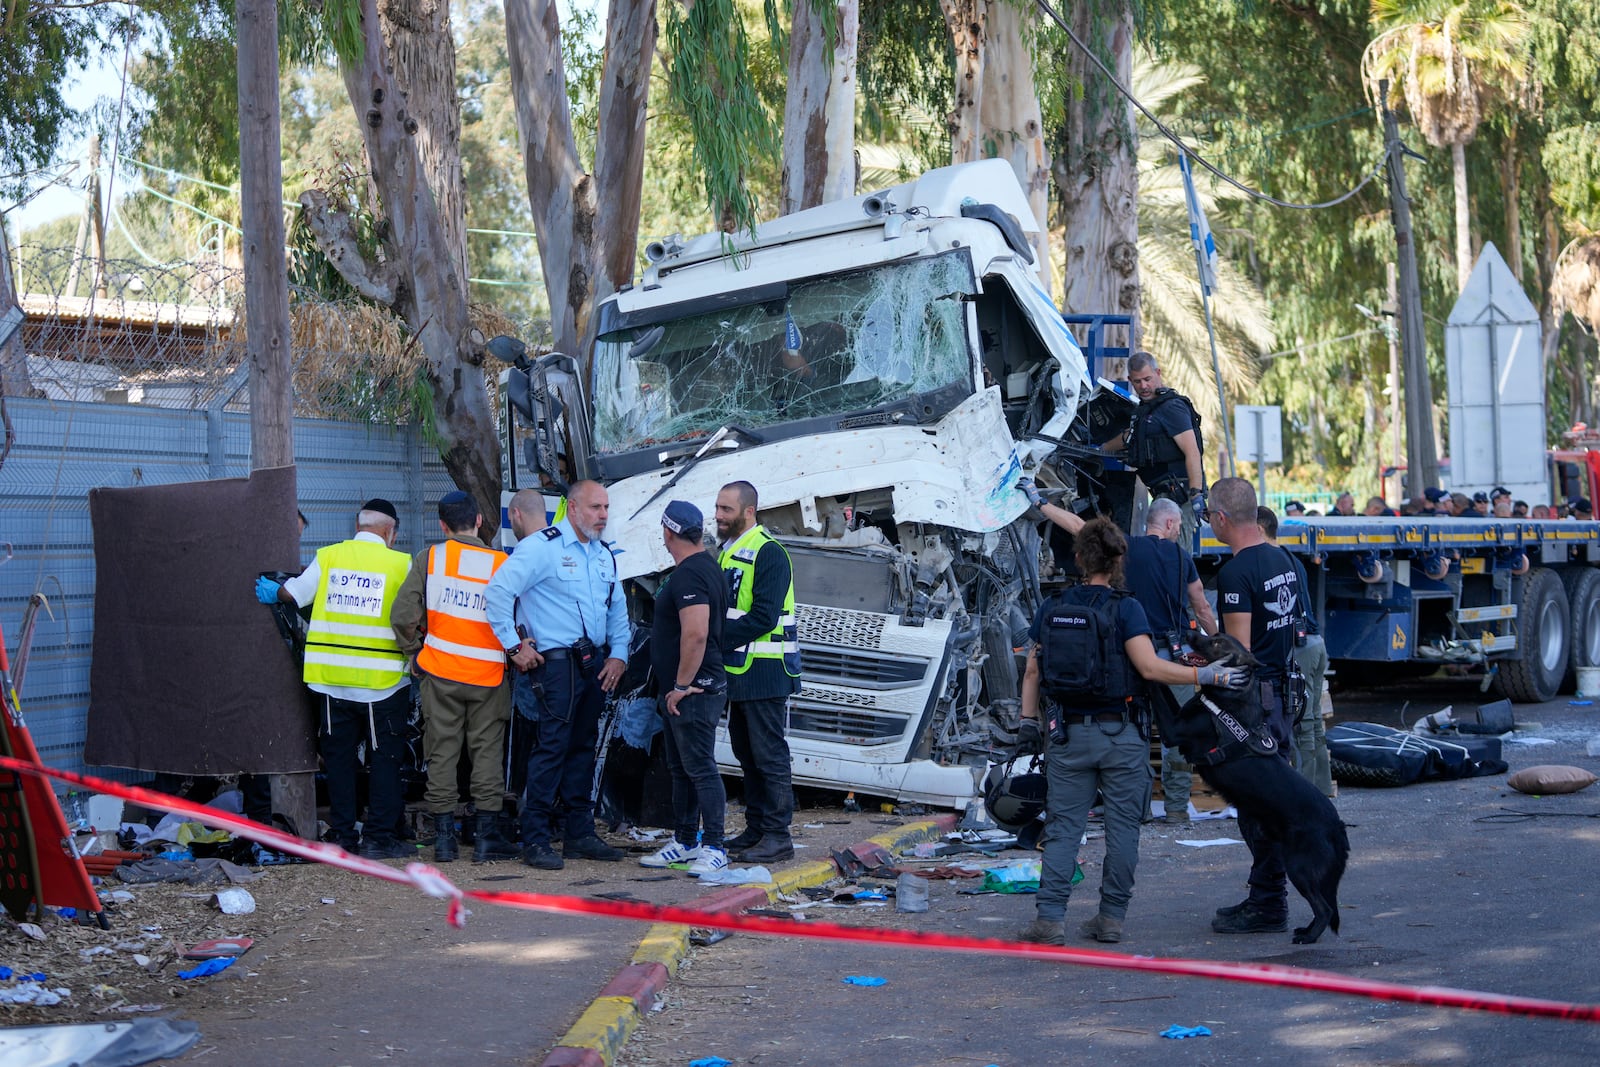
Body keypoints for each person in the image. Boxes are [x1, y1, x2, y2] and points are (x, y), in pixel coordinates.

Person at [1014, 518, 1247, 946]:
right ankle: (1110, 920)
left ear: (1080, 557)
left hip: (1066, 734)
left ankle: (1049, 920)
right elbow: (1149, 667)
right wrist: (1206, 677)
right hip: (1121, 735)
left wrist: (1029, 722)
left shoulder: (1053, 605)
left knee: (1064, 828)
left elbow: (1032, 668)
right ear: (1119, 560)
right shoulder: (1127, 608)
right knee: (1123, 828)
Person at [1025, 485, 1216, 824]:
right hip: (1170, 656)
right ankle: (1175, 808)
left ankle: (1137, 808)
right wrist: (1218, 646)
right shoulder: (1181, 556)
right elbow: (1200, 606)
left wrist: (1040, 503)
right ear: (1171, 524)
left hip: (1129, 652)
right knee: (1180, 732)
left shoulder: (1124, 548)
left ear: (1150, 524)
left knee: (1136, 728)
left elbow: (1077, 527)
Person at [255, 499, 414, 859]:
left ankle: (343, 835)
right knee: (384, 760)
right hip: (382, 683)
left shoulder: (328, 557)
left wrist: (271, 591)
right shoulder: (401, 564)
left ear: (357, 528)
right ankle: (378, 838)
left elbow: (292, 594)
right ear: (390, 532)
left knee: (339, 762)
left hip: (331, 682)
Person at [486, 480, 631, 870]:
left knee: (584, 746)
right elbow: (498, 593)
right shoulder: (542, 547)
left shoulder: (603, 555)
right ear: (572, 508)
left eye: (606, 508)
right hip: (557, 664)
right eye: (595, 507)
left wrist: (618, 654)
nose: (603, 515)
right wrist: (515, 647)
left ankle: (579, 833)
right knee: (552, 746)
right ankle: (535, 837)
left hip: (595, 663)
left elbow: (616, 607)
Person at [390, 491, 519, 864]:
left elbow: (402, 614)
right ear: (479, 520)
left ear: (442, 525)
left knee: (442, 753)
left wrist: (413, 652)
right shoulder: (501, 563)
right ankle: (485, 839)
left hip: (440, 674)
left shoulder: (430, 558)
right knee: (486, 754)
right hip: (488, 677)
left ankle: (444, 841)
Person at [1207, 477, 1304, 935]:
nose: (1209, 522)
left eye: (1209, 515)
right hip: (1281, 692)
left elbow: (1239, 652)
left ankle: (1269, 903)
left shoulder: (1236, 572)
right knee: (1267, 801)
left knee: (1258, 806)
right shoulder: (1281, 558)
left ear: (1222, 518)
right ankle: (1265, 895)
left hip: (1256, 702)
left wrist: (1202, 659)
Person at [639, 501, 731, 877]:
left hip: (693, 689)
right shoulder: (704, 566)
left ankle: (714, 845)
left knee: (700, 768)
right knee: (681, 768)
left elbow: (696, 634)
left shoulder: (691, 574)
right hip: (684, 689)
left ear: (668, 532)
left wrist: (681, 684)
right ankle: (686, 841)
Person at [714, 481, 802, 864]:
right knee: (746, 755)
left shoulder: (770, 552)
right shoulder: (730, 551)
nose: (718, 515)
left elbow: (764, 616)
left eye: (726, 510)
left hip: (766, 671)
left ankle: (778, 835)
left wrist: (712, 640)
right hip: (740, 670)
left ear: (748, 511)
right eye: (717, 508)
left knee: (769, 756)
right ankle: (756, 828)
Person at [1259, 506, 1334, 798]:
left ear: (1260, 528)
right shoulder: (1293, 559)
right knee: (1313, 719)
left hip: (1300, 647)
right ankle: (1321, 788)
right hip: (1315, 643)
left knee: (1299, 721)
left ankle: (1303, 793)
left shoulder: (1274, 561)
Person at [1097, 352, 1206, 538]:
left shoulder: (1171, 408)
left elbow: (1192, 452)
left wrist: (1196, 494)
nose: (1144, 386)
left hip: (1179, 495)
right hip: (1162, 495)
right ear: (1130, 380)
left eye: (1147, 379)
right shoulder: (1146, 410)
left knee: (1174, 555)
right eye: (1137, 382)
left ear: (1158, 373)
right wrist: (1100, 450)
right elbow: (1129, 437)